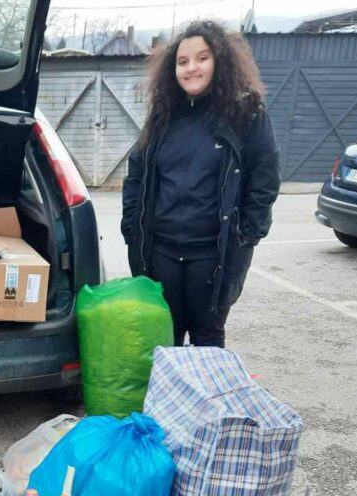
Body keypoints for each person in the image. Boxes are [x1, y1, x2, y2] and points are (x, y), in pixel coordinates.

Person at [121, 20, 281, 348]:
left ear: (220, 61)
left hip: (214, 252)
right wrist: (131, 227)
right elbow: (136, 175)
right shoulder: (163, 117)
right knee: (165, 336)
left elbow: (264, 180)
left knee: (208, 336)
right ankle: (171, 385)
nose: (191, 68)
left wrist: (247, 234)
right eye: (183, 61)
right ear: (172, 70)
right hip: (161, 250)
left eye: (202, 58)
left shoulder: (246, 115)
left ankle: (207, 385)